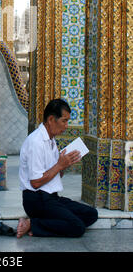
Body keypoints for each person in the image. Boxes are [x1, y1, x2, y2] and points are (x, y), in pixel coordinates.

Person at [17, 98, 98, 238]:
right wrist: (60, 165)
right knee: (77, 227)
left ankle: (43, 222)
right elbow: (35, 183)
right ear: (51, 119)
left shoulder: (51, 140)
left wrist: (64, 165)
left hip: (51, 197)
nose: (66, 126)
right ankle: (33, 224)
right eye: (64, 121)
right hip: (36, 200)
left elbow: (56, 175)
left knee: (91, 214)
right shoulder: (36, 142)